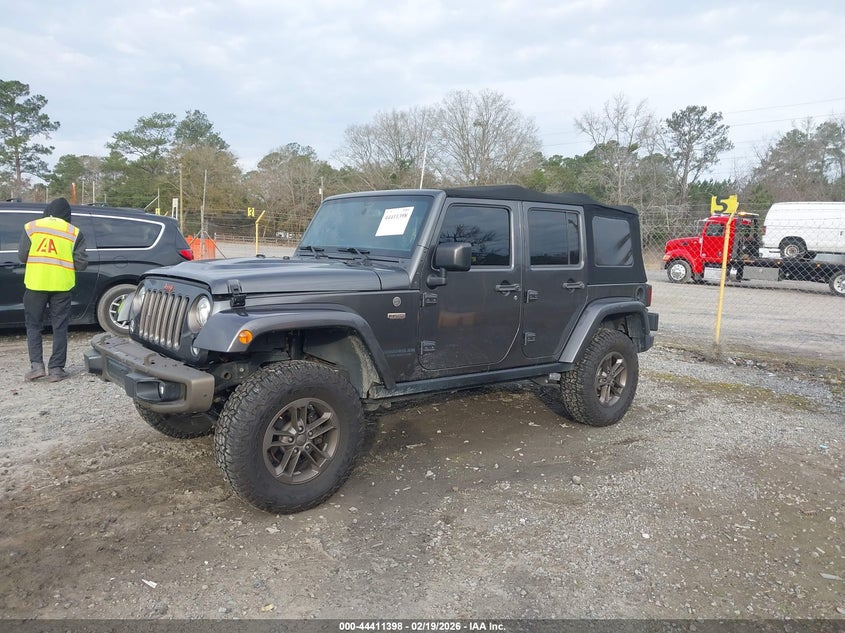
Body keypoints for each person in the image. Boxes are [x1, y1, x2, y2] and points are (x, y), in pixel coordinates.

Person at [18, 197, 89, 382]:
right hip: (61, 286)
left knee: (33, 326)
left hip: (35, 284)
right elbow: (81, 264)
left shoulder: (31, 227)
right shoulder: (74, 232)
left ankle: (36, 367)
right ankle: (56, 369)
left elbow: (22, 256)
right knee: (59, 327)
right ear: (67, 215)